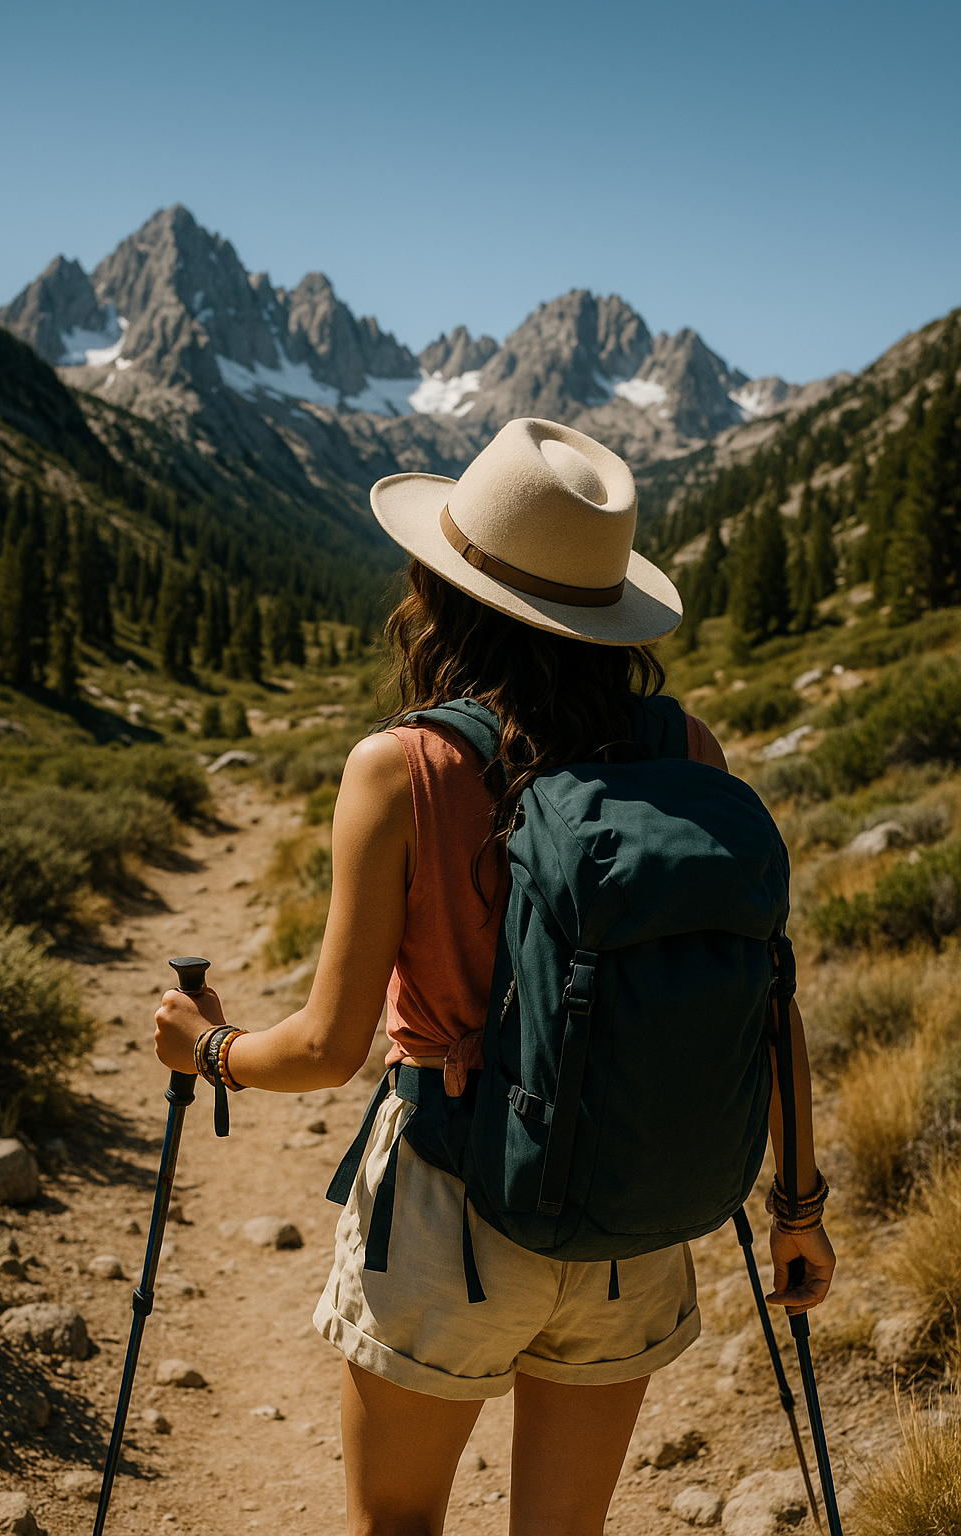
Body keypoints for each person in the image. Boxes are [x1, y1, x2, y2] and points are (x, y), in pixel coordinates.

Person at [156, 418, 836, 1536]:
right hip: (634, 1208)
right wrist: (797, 1211)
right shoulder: (688, 750)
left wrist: (209, 1050)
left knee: (399, 1527)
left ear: (441, 590)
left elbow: (330, 1052)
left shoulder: (404, 765)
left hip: (446, 1210)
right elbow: (767, 1006)